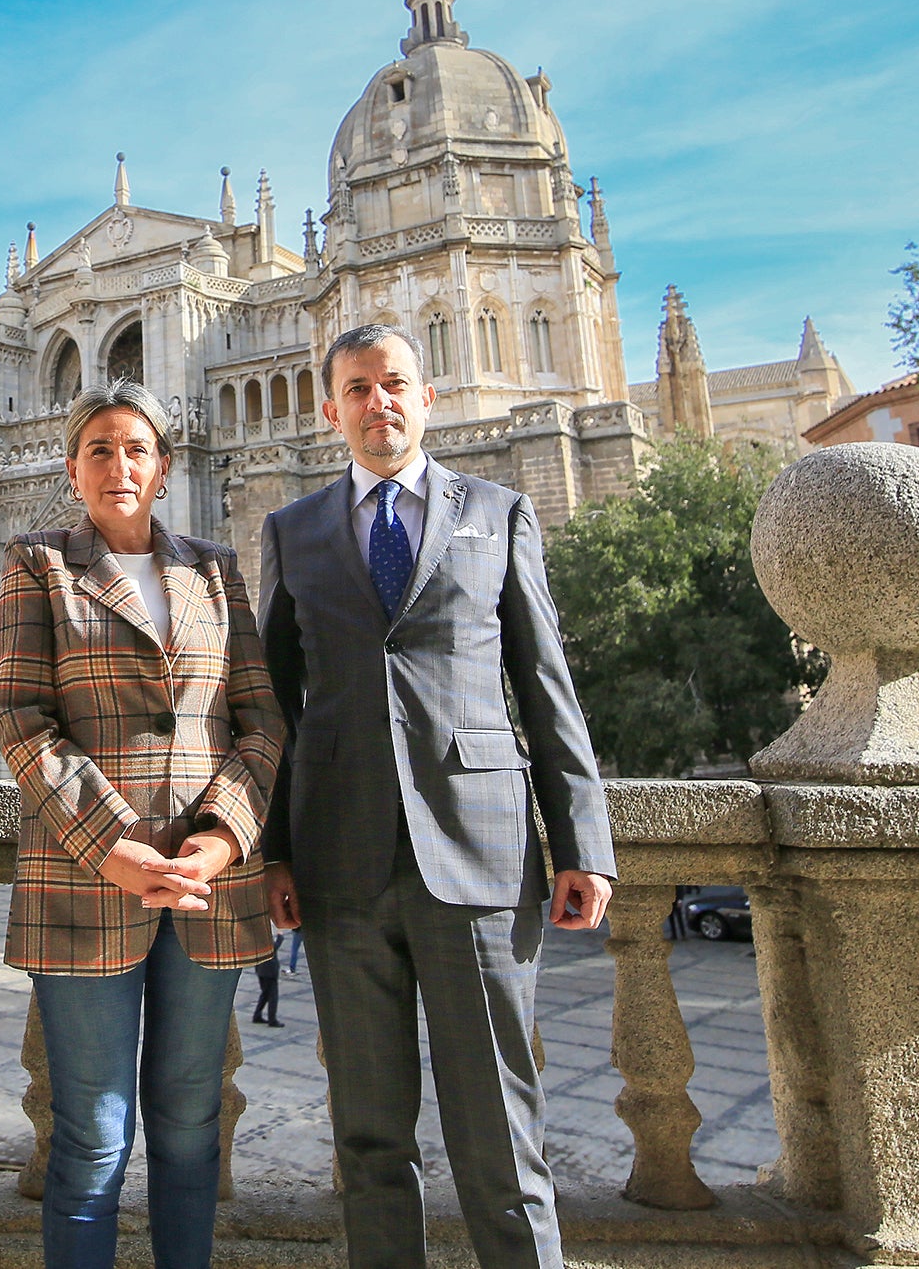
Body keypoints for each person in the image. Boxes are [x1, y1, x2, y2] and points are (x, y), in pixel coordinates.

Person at [261, 325, 616, 1269]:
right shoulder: (292, 529)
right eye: (356, 388)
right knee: (367, 1136)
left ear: (426, 397)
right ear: (329, 409)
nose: (377, 401)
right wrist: (274, 851)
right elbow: (274, 705)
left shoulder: (497, 511)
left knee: (500, 1129)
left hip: (480, 851)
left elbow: (544, 683)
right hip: (338, 863)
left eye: (394, 383)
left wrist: (581, 842)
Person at [0, 378, 287, 1269]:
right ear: (72, 470)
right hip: (84, 879)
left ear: (163, 467)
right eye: (98, 450)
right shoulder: (37, 561)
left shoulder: (214, 568)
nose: (117, 466)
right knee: (90, 1132)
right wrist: (111, 846)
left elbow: (260, 719)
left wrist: (222, 838)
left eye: (135, 450)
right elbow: (19, 717)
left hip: (207, 883)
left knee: (192, 1122)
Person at [250, 949, 282, 1028]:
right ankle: (272, 1020)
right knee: (273, 997)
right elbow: (273, 948)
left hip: (261, 970)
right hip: (269, 972)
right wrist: (279, 940)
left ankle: (257, 1015)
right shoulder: (268, 944)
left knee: (265, 994)